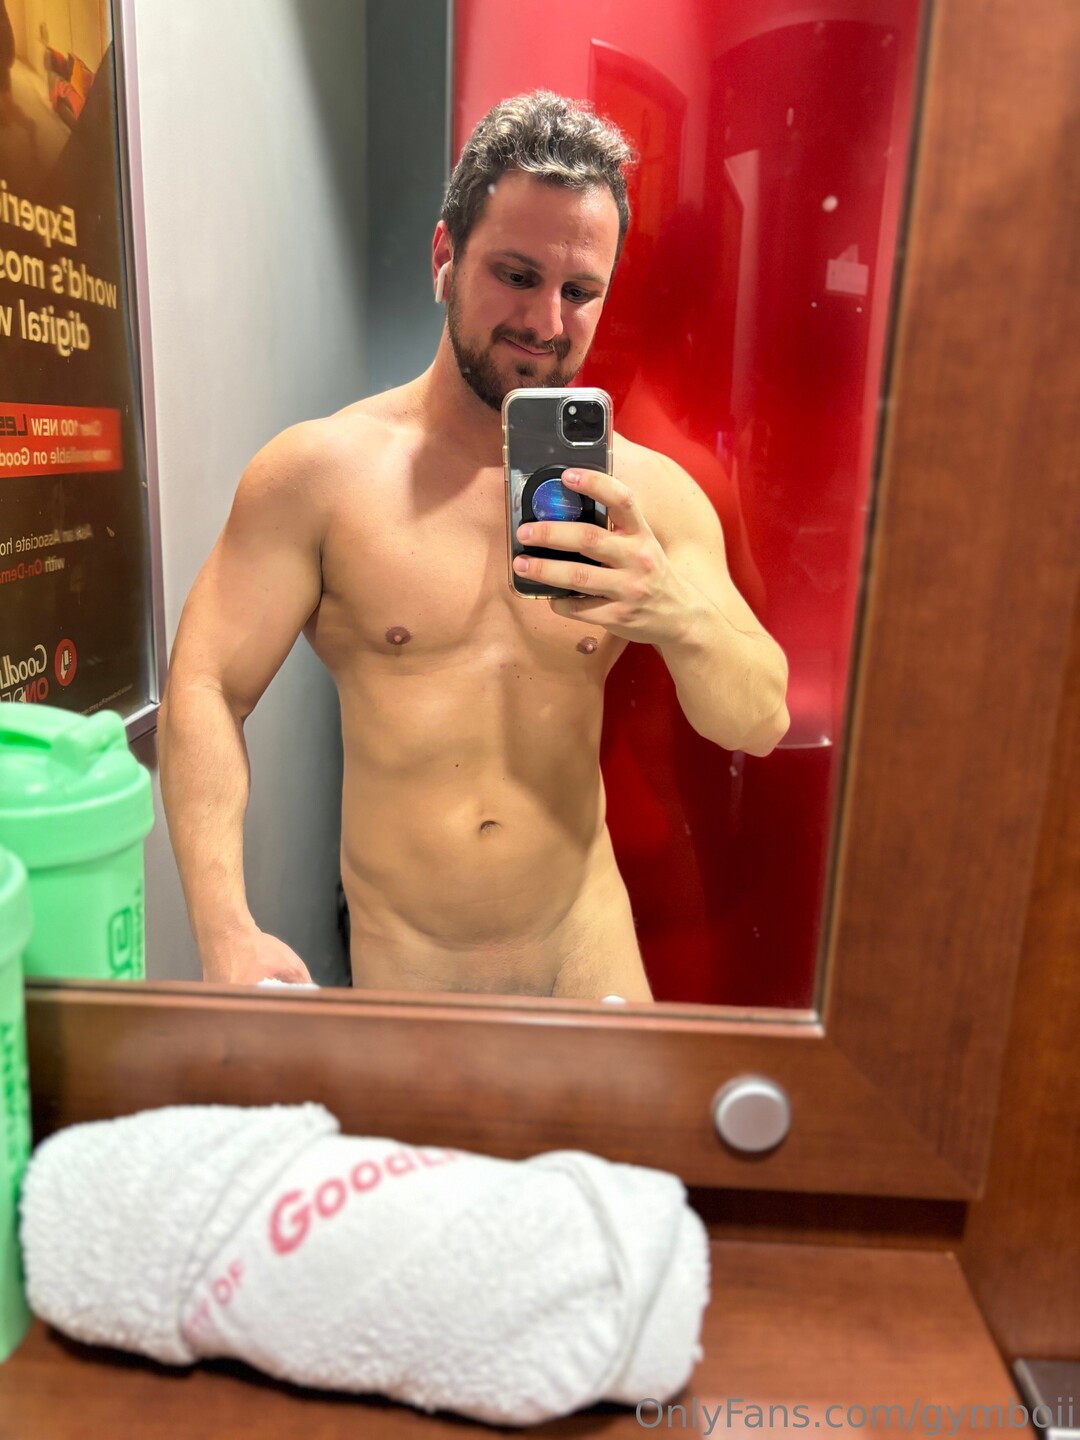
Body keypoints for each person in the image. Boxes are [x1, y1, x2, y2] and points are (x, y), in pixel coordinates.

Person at [159, 91, 790, 999]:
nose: (546, 322)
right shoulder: (319, 476)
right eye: (517, 274)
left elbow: (759, 720)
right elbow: (207, 685)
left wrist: (676, 612)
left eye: (580, 291)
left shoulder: (647, 496)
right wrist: (225, 930)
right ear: (444, 259)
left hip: (588, 959)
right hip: (414, 978)